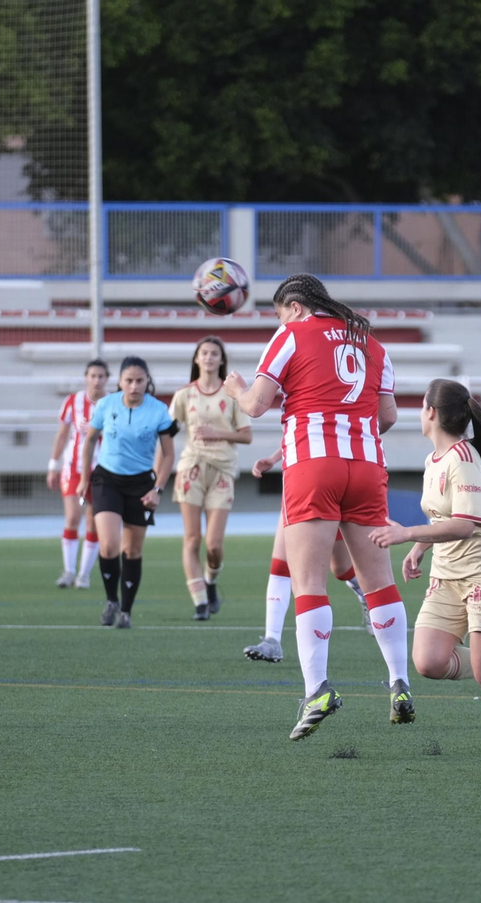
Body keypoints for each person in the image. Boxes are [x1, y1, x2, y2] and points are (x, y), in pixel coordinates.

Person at [225, 273, 411, 740]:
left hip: (312, 462)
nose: (280, 319)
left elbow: (256, 405)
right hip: (366, 466)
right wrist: (356, 434)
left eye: (280, 311)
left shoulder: (291, 334)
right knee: (380, 582)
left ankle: (318, 688)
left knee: (308, 580)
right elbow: (387, 416)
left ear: (295, 306)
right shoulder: (370, 341)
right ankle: (399, 683)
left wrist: (235, 389)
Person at [370, 379, 481, 775]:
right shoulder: (435, 459)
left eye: (420, 407)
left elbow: (467, 524)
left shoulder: (464, 459)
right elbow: (443, 517)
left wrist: (407, 534)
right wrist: (420, 549)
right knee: (428, 661)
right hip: (447, 575)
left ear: (431, 412)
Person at [241, 444, 372, 663]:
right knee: (282, 563)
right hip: (301, 478)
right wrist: (274, 458)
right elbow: (298, 427)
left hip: (338, 478)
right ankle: (272, 640)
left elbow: (384, 420)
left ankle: (365, 593)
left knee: (340, 568)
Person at [78, 356, 176, 630]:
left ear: (147, 382)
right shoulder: (106, 405)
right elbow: (89, 442)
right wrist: (84, 478)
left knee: (132, 550)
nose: (134, 386)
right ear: (119, 382)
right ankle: (111, 600)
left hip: (141, 484)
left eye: (140, 381)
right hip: (107, 479)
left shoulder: (159, 411)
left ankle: (127, 610)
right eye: (129, 380)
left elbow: (168, 455)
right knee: (109, 545)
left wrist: (157, 489)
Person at [169, 337, 252, 620]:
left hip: (223, 470)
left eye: (214, 353)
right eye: (204, 353)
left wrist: (217, 433)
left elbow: (246, 435)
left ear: (221, 359)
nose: (208, 357)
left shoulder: (232, 395)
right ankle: (200, 603)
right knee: (192, 539)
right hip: (191, 468)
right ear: (196, 359)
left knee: (213, 544)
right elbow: (166, 433)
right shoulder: (183, 395)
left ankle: (211, 580)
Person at [47, 359, 110, 589]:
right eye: (93, 375)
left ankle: (84, 574)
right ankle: (69, 570)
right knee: (73, 517)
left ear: (107, 378)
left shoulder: (113, 403)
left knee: (93, 523)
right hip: (74, 467)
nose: (96, 380)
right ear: (86, 377)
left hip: (102, 470)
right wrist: (53, 465)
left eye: (101, 376)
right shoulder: (73, 401)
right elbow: (62, 435)